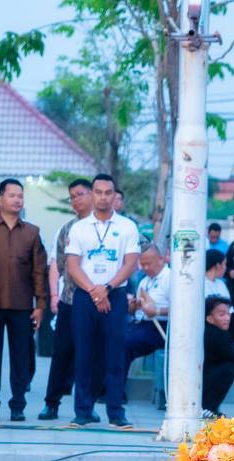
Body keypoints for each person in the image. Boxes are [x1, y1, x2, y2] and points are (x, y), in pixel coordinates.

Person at [65, 173, 141, 429]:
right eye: (98, 192)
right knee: (84, 353)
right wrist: (94, 291)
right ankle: (83, 411)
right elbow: (72, 265)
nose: (103, 197)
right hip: (85, 296)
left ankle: (116, 413)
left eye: (108, 192)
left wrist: (107, 288)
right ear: (92, 194)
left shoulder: (127, 227)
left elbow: (130, 264)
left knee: (115, 355)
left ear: (114, 195)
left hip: (115, 295)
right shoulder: (79, 228)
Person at [0, 177, 48, 421]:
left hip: (22, 306)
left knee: (21, 358)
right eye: (12, 195)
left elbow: (39, 271)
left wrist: (40, 305)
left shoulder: (32, 232)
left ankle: (18, 405)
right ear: (1, 199)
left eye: (20, 196)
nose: (17, 200)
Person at [40, 179, 95, 420]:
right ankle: (51, 403)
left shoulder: (109, 226)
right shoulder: (67, 229)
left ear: (93, 194)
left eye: (80, 194)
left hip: (100, 302)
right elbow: (56, 265)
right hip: (70, 300)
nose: (75, 200)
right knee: (62, 352)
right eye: (72, 196)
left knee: (92, 355)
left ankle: (87, 407)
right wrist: (54, 294)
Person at [124, 244, 172, 363]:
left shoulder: (170, 278)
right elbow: (135, 312)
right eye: (142, 264)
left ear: (161, 259)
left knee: (124, 344)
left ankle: (116, 375)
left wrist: (157, 311)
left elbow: (181, 309)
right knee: (110, 340)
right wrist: (133, 307)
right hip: (140, 323)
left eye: (148, 264)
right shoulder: (144, 281)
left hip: (160, 326)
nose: (145, 268)